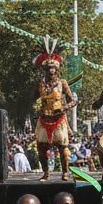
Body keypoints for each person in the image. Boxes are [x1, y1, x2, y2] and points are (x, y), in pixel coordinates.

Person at [33, 36, 76, 180]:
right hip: (44, 119)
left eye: (53, 68)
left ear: (57, 69)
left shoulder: (62, 83)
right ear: (45, 68)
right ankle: (46, 173)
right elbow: (33, 99)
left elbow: (73, 100)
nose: (51, 70)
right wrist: (35, 107)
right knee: (41, 149)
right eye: (49, 68)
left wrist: (65, 107)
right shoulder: (40, 84)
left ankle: (65, 172)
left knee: (63, 149)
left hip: (59, 119)